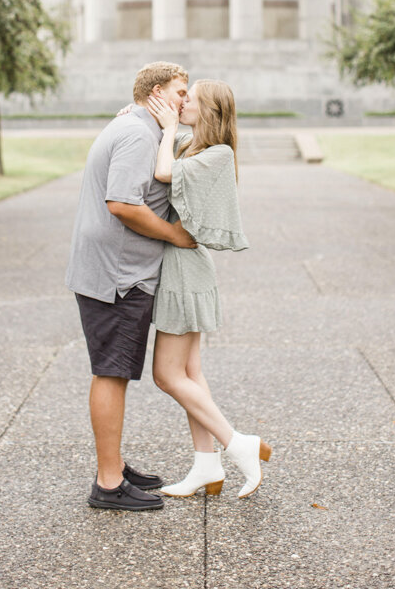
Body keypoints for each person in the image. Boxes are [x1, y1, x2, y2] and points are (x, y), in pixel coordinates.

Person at [65, 61, 197, 512]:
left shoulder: (137, 125)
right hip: (117, 275)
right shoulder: (138, 134)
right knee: (111, 372)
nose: (186, 100)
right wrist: (176, 234)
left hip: (115, 270)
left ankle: (114, 466)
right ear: (158, 92)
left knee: (114, 371)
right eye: (181, 92)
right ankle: (108, 484)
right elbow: (122, 203)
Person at [147, 80, 272, 499]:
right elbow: (166, 145)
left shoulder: (217, 154)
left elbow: (163, 172)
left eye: (190, 100)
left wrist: (165, 130)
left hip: (186, 272)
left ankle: (238, 445)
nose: (181, 104)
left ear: (210, 112)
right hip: (182, 267)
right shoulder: (192, 146)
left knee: (166, 375)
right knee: (190, 373)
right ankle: (206, 465)